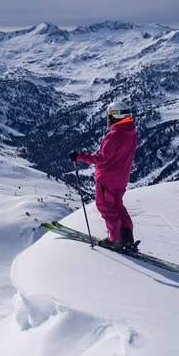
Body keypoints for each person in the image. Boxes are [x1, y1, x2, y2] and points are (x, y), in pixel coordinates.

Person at [68, 101, 139, 252]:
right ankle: (127, 236)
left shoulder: (113, 136)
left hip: (107, 180)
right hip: (122, 179)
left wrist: (79, 156)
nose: (108, 120)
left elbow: (101, 159)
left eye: (109, 117)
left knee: (105, 207)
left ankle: (115, 240)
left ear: (114, 116)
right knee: (118, 206)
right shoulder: (132, 134)